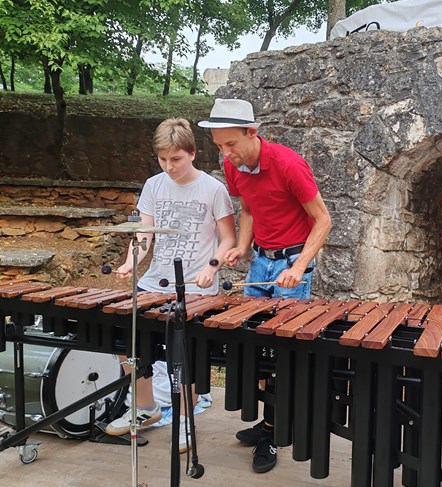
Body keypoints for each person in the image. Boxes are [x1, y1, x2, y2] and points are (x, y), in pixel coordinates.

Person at [198, 98, 332, 473]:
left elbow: (323, 221)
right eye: (220, 147)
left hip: (292, 263)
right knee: (253, 345)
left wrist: (300, 266)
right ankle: (270, 421)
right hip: (261, 260)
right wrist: (241, 246)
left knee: (282, 351)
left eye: (231, 145)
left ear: (252, 133)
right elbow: (249, 209)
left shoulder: (288, 164)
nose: (226, 154)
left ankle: (274, 433)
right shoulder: (234, 165)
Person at [105, 118, 236, 454]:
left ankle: (184, 421)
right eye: (162, 159)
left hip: (195, 288)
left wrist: (213, 266)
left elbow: (228, 239)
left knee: (185, 355)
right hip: (154, 282)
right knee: (126, 336)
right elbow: (144, 234)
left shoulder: (213, 189)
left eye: (175, 159)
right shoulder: (153, 185)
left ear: (191, 153)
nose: (169, 166)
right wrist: (130, 263)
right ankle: (146, 406)